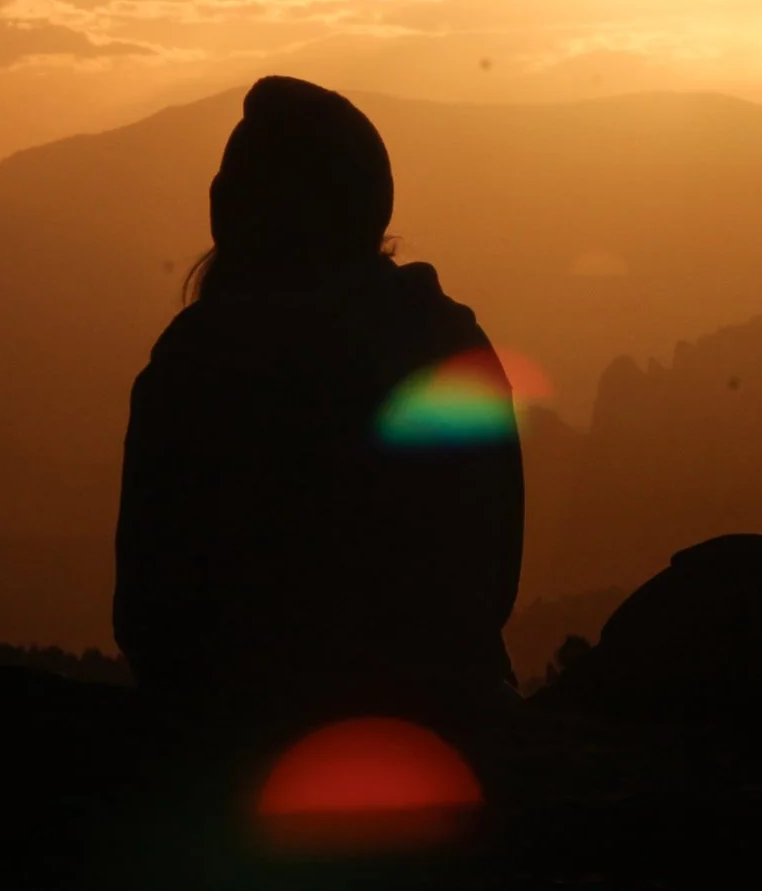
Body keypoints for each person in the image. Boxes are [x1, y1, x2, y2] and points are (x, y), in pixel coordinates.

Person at [113, 77, 525, 720]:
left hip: (242, 732)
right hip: (450, 718)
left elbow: (151, 612)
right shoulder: (449, 342)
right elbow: (490, 579)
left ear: (233, 212)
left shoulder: (203, 360)